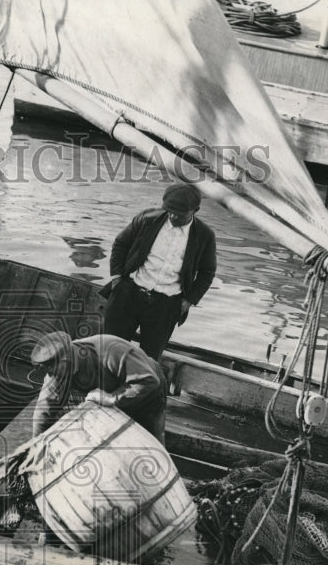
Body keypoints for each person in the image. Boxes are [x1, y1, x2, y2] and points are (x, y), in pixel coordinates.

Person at [101, 182, 217, 360]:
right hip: (129, 293)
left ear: (195, 210)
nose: (172, 216)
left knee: (148, 360)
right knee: (109, 349)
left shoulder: (204, 236)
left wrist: (189, 301)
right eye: (169, 211)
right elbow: (121, 244)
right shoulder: (147, 218)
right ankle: (102, 387)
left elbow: (207, 273)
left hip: (166, 305)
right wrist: (117, 278)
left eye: (179, 214)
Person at [30, 331, 167, 444]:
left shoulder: (111, 349)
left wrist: (112, 398)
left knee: (153, 447)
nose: (55, 378)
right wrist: (36, 446)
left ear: (67, 359)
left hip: (148, 392)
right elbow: (44, 411)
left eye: (56, 373)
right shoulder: (57, 372)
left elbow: (149, 380)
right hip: (111, 398)